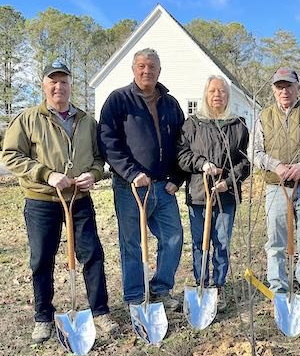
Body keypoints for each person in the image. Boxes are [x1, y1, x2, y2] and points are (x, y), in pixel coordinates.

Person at [1, 62, 119, 343]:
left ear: (71, 85)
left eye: (63, 81)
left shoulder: (86, 121)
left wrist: (92, 174)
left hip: (79, 200)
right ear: (43, 85)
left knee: (92, 255)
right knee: (42, 259)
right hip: (42, 201)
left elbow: (99, 159)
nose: (58, 87)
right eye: (52, 82)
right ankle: (43, 316)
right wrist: (47, 174)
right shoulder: (28, 118)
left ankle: (100, 311)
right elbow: (11, 155)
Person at [97, 48, 184, 311]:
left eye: (152, 67)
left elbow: (182, 143)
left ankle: (160, 289)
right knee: (132, 242)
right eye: (141, 67)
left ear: (160, 70)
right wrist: (132, 173)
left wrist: (177, 178)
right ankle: (135, 296)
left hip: (163, 186)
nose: (147, 71)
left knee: (174, 237)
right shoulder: (119, 100)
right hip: (131, 187)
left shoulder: (171, 104)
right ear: (133, 69)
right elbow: (107, 141)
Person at [252, 67, 300, 319]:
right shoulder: (264, 116)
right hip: (275, 188)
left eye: (289, 86)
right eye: (279, 86)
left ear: (298, 88)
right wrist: (276, 166)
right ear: (273, 89)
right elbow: (255, 151)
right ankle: (279, 293)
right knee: (275, 243)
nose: (284, 91)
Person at [177, 75, 250, 312]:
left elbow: (245, 162)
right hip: (199, 194)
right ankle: (201, 283)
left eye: (222, 91)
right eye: (212, 91)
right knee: (200, 242)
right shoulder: (193, 124)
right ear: (205, 95)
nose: (217, 95)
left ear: (228, 96)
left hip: (226, 195)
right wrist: (202, 164)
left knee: (222, 242)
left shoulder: (238, 125)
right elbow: (182, 155)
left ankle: (218, 285)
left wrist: (228, 181)